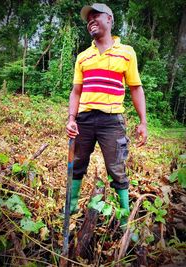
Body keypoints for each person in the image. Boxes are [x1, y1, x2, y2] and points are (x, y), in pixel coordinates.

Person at [66, 3, 147, 226]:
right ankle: (70, 207)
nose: (90, 21)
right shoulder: (83, 57)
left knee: (117, 168)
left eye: (96, 16)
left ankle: (124, 220)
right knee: (77, 163)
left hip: (112, 121)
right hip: (83, 119)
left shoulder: (126, 53)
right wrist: (71, 118)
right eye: (88, 19)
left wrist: (143, 122)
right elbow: (76, 91)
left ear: (109, 19)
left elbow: (135, 87)